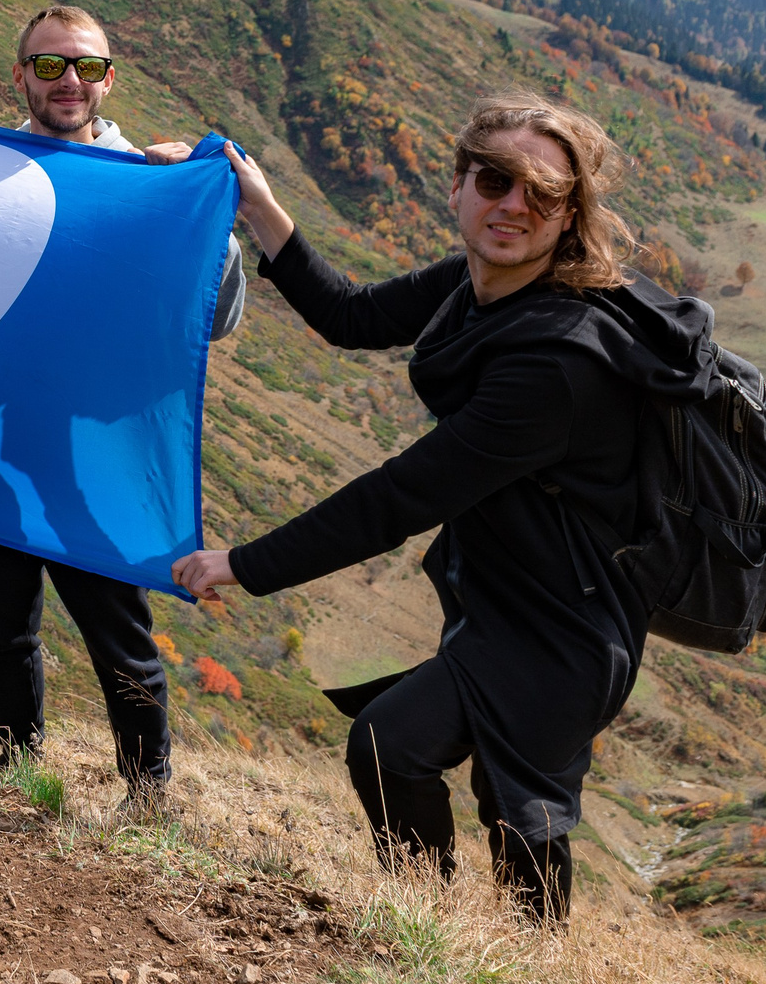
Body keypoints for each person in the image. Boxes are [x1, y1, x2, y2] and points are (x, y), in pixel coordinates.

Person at [173, 95, 711, 923]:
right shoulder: (478, 282)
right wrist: (258, 205)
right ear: (458, 184)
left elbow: (399, 497)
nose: (513, 205)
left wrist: (242, 564)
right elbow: (352, 316)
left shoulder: (558, 364)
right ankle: (427, 929)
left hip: (568, 629)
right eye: (497, 179)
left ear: (570, 218)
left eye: (543, 193)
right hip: (504, 602)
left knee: (514, 812)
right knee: (398, 750)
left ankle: (528, 981)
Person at [0, 4, 245, 796]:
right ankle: (19, 769)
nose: (67, 80)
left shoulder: (150, 185)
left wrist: (205, 217)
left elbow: (214, 321)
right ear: (20, 76)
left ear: (109, 78)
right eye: (47, 65)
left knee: (120, 635)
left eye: (84, 65)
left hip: (95, 453)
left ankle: (147, 795)